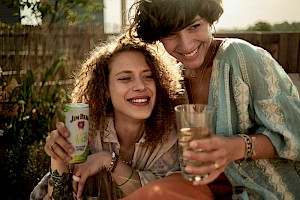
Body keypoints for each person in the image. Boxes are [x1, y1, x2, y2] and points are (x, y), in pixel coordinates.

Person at [124, 0, 300, 199]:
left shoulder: (241, 57)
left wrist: (234, 147)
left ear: (209, 19)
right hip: (202, 186)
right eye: (171, 33)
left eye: (194, 26)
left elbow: (295, 133)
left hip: (263, 191)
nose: (186, 44)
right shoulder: (175, 79)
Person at [30, 33, 185, 199]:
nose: (140, 86)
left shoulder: (169, 138)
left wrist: (108, 161)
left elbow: (160, 196)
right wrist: (59, 160)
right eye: (125, 78)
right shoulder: (84, 132)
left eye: (148, 76)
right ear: (105, 89)